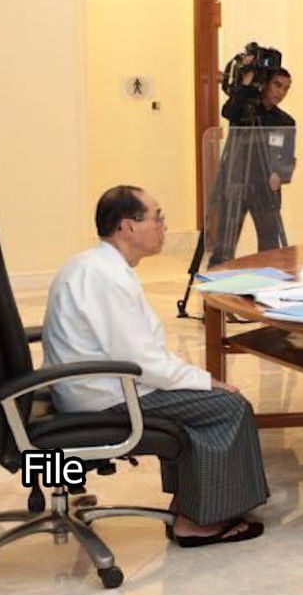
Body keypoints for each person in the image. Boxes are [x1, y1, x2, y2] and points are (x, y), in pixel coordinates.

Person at [44, 186, 269, 546]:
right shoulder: (107, 277)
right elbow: (142, 362)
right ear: (127, 227)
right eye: (157, 217)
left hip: (95, 385)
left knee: (200, 398)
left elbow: (141, 354)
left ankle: (188, 505)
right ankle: (197, 522)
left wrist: (192, 380)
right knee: (228, 407)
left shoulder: (94, 265)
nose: (164, 226)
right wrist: (205, 381)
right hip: (107, 397)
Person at [208, 67, 295, 265]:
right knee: (224, 244)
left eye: (286, 88)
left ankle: (267, 280)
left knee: (269, 244)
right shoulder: (244, 111)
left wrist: (280, 175)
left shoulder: (285, 121)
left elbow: (288, 158)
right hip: (235, 182)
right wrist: (245, 85)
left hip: (266, 188)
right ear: (265, 84)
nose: (280, 92)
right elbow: (228, 111)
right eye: (277, 85)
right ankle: (217, 280)